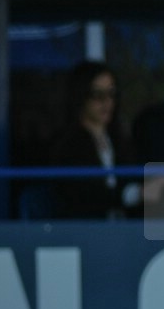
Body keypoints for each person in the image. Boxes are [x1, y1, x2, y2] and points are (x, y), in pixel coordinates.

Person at [51, 60, 141, 219]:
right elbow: (82, 195)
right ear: (81, 96)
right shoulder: (67, 145)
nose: (107, 102)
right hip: (86, 228)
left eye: (112, 93)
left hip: (123, 228)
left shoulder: (119, 139)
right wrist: (134, 194)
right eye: (98, 95)